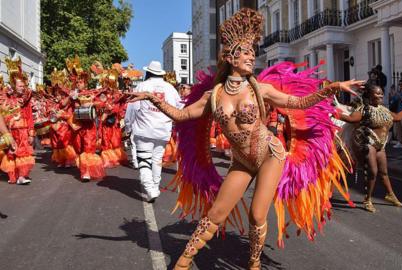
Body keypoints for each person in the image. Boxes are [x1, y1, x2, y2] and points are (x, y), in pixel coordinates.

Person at [128, 8, 362, 269]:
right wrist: (152, 99)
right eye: (246, 52)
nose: (252, 56)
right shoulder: (213, 96)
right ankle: (182, 263)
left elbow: (298, 102)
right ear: (230, 57)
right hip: (241, 161)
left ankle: (253, 263)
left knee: (257, 214)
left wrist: (331, 88)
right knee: (216, 213)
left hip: (269, 155)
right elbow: (182, 115)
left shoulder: (260, 89)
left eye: (253, 52)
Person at [340, 83, 402, 213]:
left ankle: (390, 194)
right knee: (373, 172)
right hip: (369, 143)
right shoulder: (363, 110)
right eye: (377, 93)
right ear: (369, 95)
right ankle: (367, 199)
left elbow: (397, 117)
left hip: (381, 145)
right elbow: (350, 119)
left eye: (381, 93)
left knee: (384, 172)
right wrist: (332, 113)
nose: (380, 95)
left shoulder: (383, 109)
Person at [125, 60, 182, 203]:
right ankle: (155, 187)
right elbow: (180, 108)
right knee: (157, 160)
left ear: (148, 72)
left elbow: (132, 108)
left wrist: (127, 127)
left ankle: (150, 189)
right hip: (163, 130)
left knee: (144, 160)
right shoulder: (170, 88)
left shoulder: (142, 86)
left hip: (144, 130)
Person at [1, 57, 35, 185]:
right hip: (9, 130)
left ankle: (22, 175)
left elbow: (30, 116)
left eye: (24, 85)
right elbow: (2, 115)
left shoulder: (25, 99)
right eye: (20, 85)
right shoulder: (5, 97)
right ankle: (12, 175)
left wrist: (31, 132)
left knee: (23, 152)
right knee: (10, 152)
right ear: (13, 85)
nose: (23, 87)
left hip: (23, 130)